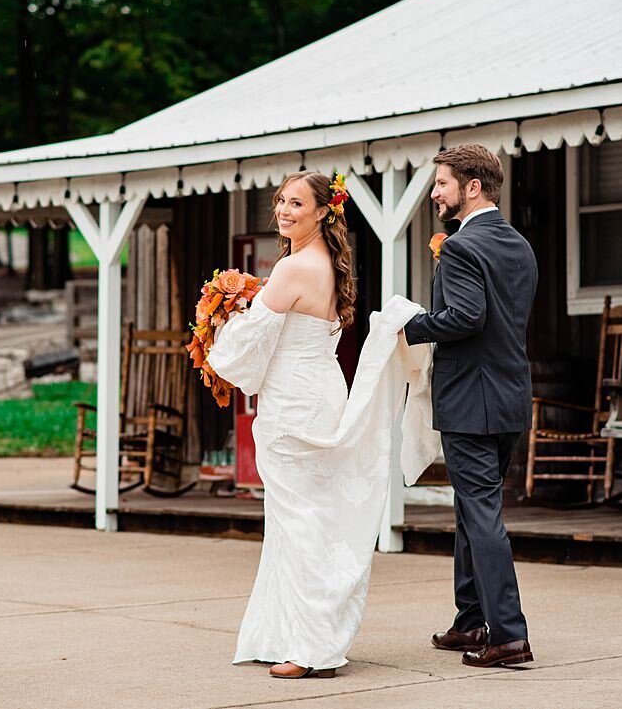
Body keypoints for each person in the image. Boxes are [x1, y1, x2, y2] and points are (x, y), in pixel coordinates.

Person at [207, 170, 430, 679]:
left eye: (297, 205)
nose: (284, 211)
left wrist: (222, 325)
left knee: (300, 522)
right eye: (281, 202)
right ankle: (285, 632)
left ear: (323, 212)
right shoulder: (322, 261)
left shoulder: (290, 269)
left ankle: (313, 648)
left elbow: (242, 351)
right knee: (302, 518)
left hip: (294, 404)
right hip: (320, 389)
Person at [402, 143, 538, 668]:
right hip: (507, 397)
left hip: (471, 401)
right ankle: (469, 621)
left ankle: (507, 635)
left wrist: (409, 324)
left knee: (481, 515)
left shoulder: (460, 248)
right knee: (471, 509)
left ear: (471, 187)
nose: (435, 193)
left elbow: (465, 318)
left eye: (441, 184)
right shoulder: (519, 245)